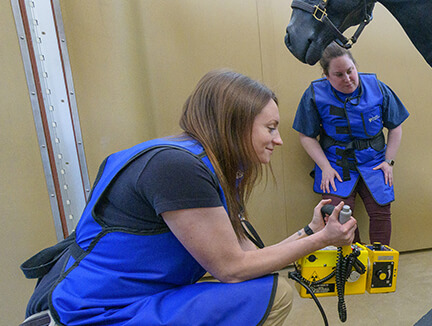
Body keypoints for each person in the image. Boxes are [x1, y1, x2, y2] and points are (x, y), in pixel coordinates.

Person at [28, 70, 357, 326]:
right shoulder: (178, 168)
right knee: (274, 295)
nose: (279, 139)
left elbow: (251, 258)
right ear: (235, 125)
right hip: (95, 311)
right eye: (270, 128)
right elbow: (232, 269)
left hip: (131, 297)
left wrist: (310, 233)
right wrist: (321, 241)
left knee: (260, 286)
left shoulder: (203, 165)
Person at [293, 43, 409, 246]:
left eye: (350, 71)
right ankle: (354, 261)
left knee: (381, 212)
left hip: (374, 160)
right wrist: (325, 167)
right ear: (326, 76)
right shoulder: (314, 94)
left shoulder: (377, 87)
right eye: (338, 74)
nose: (347, 79)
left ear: (356, 66)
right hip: (336, 163)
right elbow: (306, 136)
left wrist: (388, 162)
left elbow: (395, 126)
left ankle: (381, 263)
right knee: (337, 217)